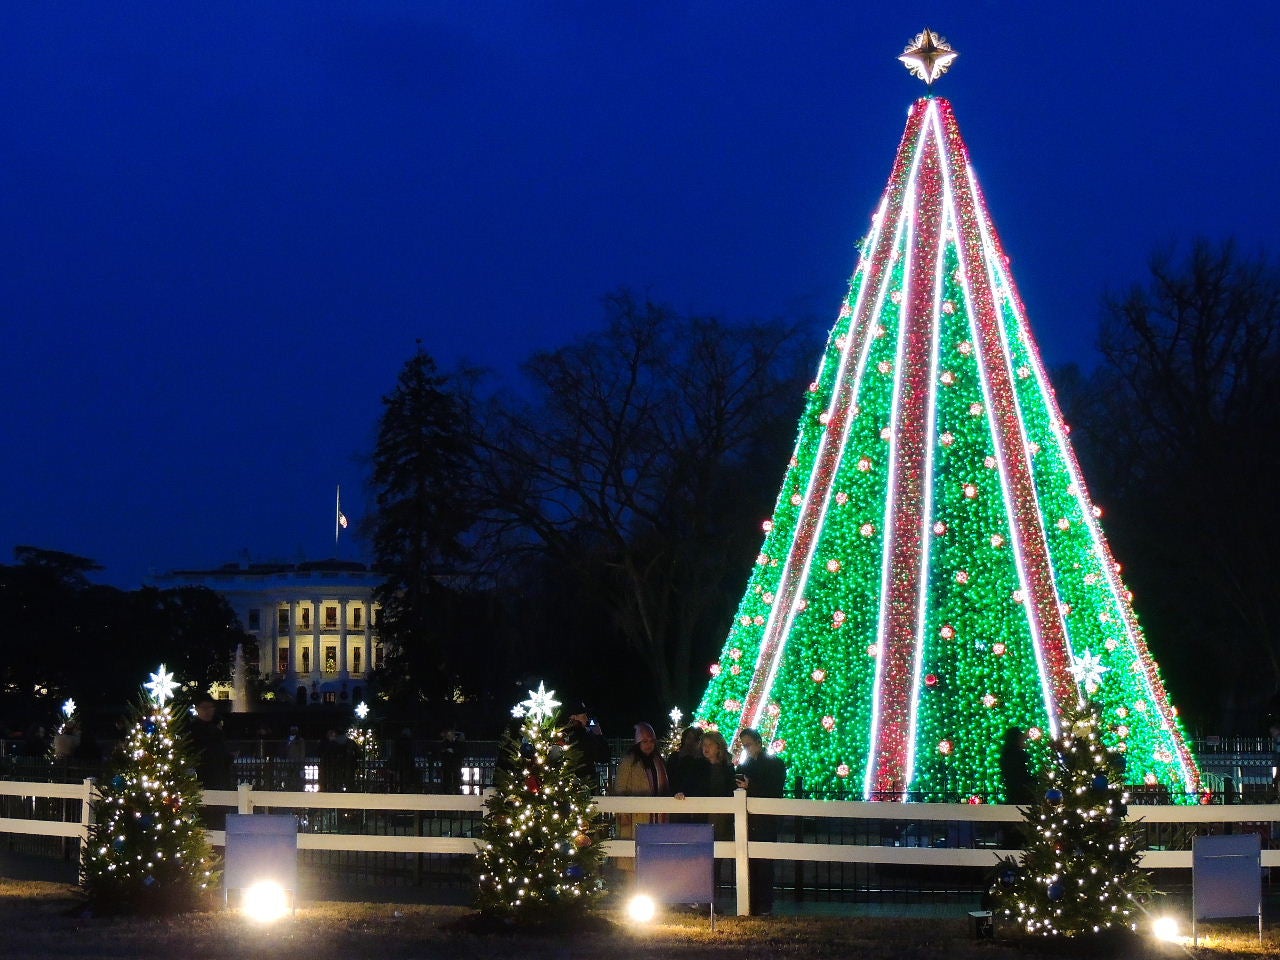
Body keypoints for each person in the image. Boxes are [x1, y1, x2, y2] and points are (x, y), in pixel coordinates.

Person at [735, 727, 786, 915]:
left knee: (764, 863)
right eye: (743, 745)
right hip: (749, 820)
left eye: (748, 745)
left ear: (758, 743)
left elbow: (774, 791)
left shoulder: (775, 764)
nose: (746, 749)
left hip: (766, 820)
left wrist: (751, 786)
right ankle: (752, 903)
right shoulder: (744, 766)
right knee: (750, 863)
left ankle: (764, 904)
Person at [613, 722, 670, 875]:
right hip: (634, 819)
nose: (648, 745)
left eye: (651, 741)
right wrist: (623, 812)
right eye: (645, 741)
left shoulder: (658, 761)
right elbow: (619, 788)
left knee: (654, 860)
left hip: (656, 818)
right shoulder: (629, 761)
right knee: (633, 861)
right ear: (638, 742)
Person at [674, 729, 735, 839]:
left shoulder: (727, 768)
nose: (706, 748)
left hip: (721, 814)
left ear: (718, 747)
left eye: (710, 745)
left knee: (720, 845)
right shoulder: (697, 766)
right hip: (701, 813)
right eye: (704, 745)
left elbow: (731, 789)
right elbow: (687, 784)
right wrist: (681, 792)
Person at [562, 700, 610, 792]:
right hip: (585, 787)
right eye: (584, 716)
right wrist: (599, 735)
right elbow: (604, 757)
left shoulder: (560, 736)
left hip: (565, 788)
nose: (587, 719)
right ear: (573, 717)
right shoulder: (585, 737)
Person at [189, 696, 232, 790]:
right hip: (202, 774)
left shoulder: (218, 727)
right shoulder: (193, 729)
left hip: (220, 774)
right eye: (204, 708)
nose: (207, 711)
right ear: (197, 709)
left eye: (210, 708)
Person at [667, 726, 704, 799]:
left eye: (695, 739)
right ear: (684, 739)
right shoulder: (675, 757)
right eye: (689, 738)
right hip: (675, 798)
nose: (691, 742)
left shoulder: (702, 761)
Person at [281, 725, 307, 791]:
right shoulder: (287, 739)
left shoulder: (300, 740)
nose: (293, 730)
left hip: (297, 762)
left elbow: (302, 752)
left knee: (297, 776)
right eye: (292, 729)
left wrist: (301, 761)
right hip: (289, 761)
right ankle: (289, 788)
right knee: (289, 776)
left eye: (294, 729)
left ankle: (297, 789)